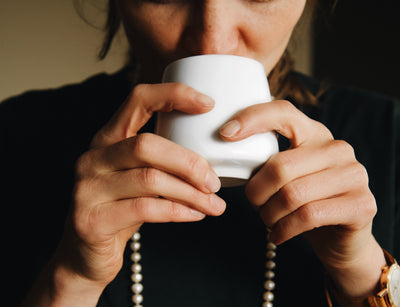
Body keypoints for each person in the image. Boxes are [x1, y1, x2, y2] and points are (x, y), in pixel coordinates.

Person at [2, 0, 399, 306]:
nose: (213, 41)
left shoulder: (389, 132)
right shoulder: (15, 135)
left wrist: (361, 269)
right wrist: (72, 278)